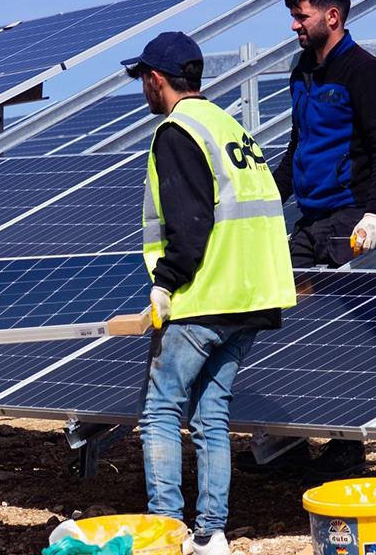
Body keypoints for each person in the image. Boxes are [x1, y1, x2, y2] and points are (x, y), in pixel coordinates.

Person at [125, 32, 296, 555]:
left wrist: (165, 283)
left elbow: (190, 221)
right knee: (211, 414)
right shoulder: (228, 126)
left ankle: (166, 530)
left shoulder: (176, 132)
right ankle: (211, 534)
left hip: (205, 295)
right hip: (254, 296)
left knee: (160, 410)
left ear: (157, 80)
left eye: (144, 81)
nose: (144, 92)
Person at [271, 0, 376, 479]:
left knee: (341, 333)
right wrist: (265, 201)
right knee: (282, 314)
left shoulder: (365, 73)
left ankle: (348, 444)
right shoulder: (302, 71)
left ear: (332, 16)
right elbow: (297, 148)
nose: (294, 26)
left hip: (352, 219)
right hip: (311, 218)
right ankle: (288, 440)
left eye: (301, 16)